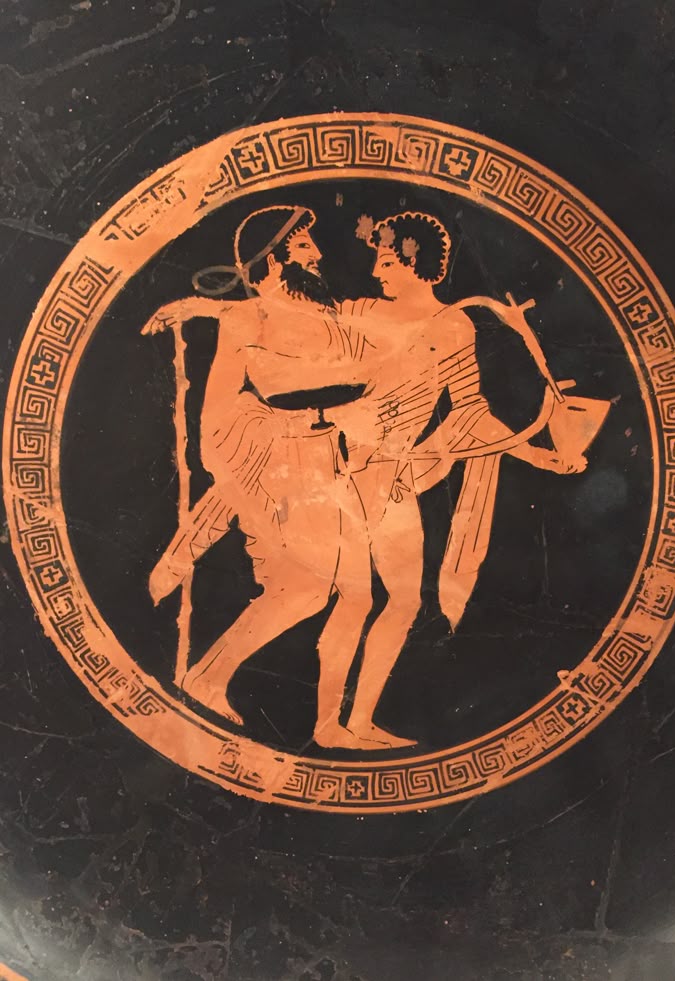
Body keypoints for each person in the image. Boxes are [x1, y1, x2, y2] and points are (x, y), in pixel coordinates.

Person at [319, 211, 587, 742]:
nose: (376, 272)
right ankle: (329, 724)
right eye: (378, 260)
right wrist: (215, 308)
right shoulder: (363, 311)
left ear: (420, 266)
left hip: (391, 472)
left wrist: (537, 455)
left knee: (401, 600)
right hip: (340, 460)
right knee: (347, 595)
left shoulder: (453, 327)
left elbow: (470, 411)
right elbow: (293, 319)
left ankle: (356, 721)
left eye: (388, 262)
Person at [143, 204, 387, 749]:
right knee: (305, 588)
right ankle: (207, 678)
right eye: (303, 247)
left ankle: (332, 727)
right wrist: (280, 444)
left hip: (332, 463)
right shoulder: (247, 320)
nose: (318, 255)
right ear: (273, 261)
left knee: (356, 595)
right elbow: (224, 417)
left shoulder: (330, 316)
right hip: (283, 466)